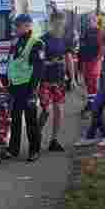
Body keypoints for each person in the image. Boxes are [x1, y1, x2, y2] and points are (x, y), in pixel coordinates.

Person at [2, 14, 44, 162]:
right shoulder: (17, 41)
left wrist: (33, 91)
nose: (16, 29)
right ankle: (13, 150)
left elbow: (38, 70)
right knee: (15, 120)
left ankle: (34, 150)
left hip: (28, 87)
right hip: (15, 87)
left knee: (31, 120)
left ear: (27, 26)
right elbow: (12, 63)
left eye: (18, 26)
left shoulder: (36, 43)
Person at [39, 10, 68, 152]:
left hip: (60, 80)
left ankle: (54, 140)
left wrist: (72, 77)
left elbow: (68, 57)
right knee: (46, 110)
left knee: (59, 110)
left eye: (62, 24)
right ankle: (36, 135)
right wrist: (50, 62)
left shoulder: (64, 39)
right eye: (57, 24)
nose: (59, 27)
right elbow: (38, 62)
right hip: (45, 80)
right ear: (51, 23)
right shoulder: (43, 39)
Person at [79, 14, 104, 113]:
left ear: (96, 21)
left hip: (94, 62)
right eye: (88, 20)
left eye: (91, 20)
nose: (89, 22)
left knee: (93, 83)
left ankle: (93, 106)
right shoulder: (86, 32)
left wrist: (97, 60)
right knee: (87, 83)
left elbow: (101, 48)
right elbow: (82, 46)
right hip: (86, 62)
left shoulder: (100, 32)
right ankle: (91, 104)